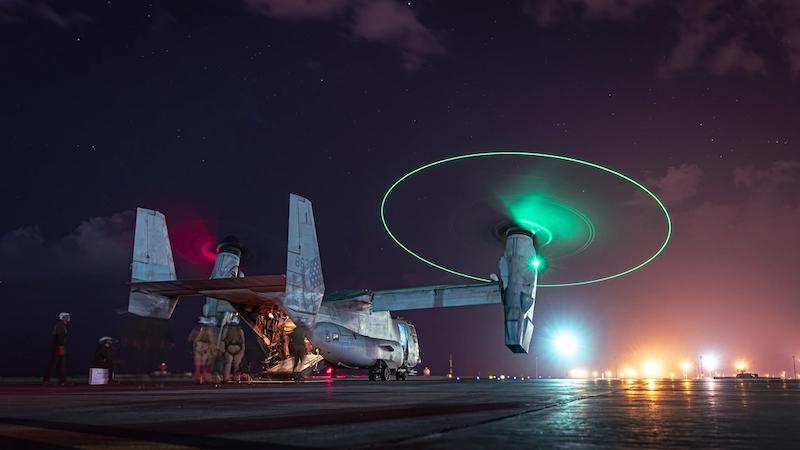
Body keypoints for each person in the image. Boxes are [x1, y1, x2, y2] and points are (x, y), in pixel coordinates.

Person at [188, 316, 218, 384]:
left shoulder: (196, 329)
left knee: (199, 366)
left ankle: (199, 379)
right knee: (205, 365)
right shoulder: (209, 330)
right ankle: (205, 379)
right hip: (206, 349)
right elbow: (212, 341)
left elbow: (190, 339)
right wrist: (214, 351)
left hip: (198, 348)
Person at [44, 312, 71, 385]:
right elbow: (59, 337)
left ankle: (62, 380)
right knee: (54, 363)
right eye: (67, 316)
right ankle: (47, 379)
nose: (69, 318)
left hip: (59, 347)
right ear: (63, 318)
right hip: (58, 347)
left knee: (60, 364)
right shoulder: (60, 326)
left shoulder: (62, 326)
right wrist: (61, 347)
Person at [221, 315, 246, 382]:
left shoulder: (227, 328)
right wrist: (242, 350)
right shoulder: (240, 329)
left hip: (230, 347)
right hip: (238, 348)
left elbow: (223, 338)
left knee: (228, 364)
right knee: (236, 365)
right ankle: (236, 378)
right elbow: (243, 342)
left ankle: (226, 378)